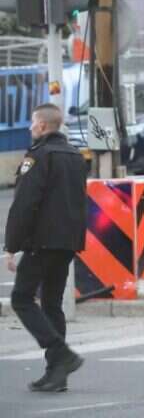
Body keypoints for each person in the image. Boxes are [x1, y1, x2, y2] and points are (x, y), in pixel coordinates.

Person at [4, 104, 88, 392]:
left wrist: (10, 246)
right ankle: (57, 374)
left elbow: (25, 204)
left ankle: (61, 354)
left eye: (32, 123)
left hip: (42, 242)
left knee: (22, 299)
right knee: (52, 304)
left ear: (42, 126)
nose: (29, 128)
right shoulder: (76, 156)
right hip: (67, 244)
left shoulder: (38, 157)